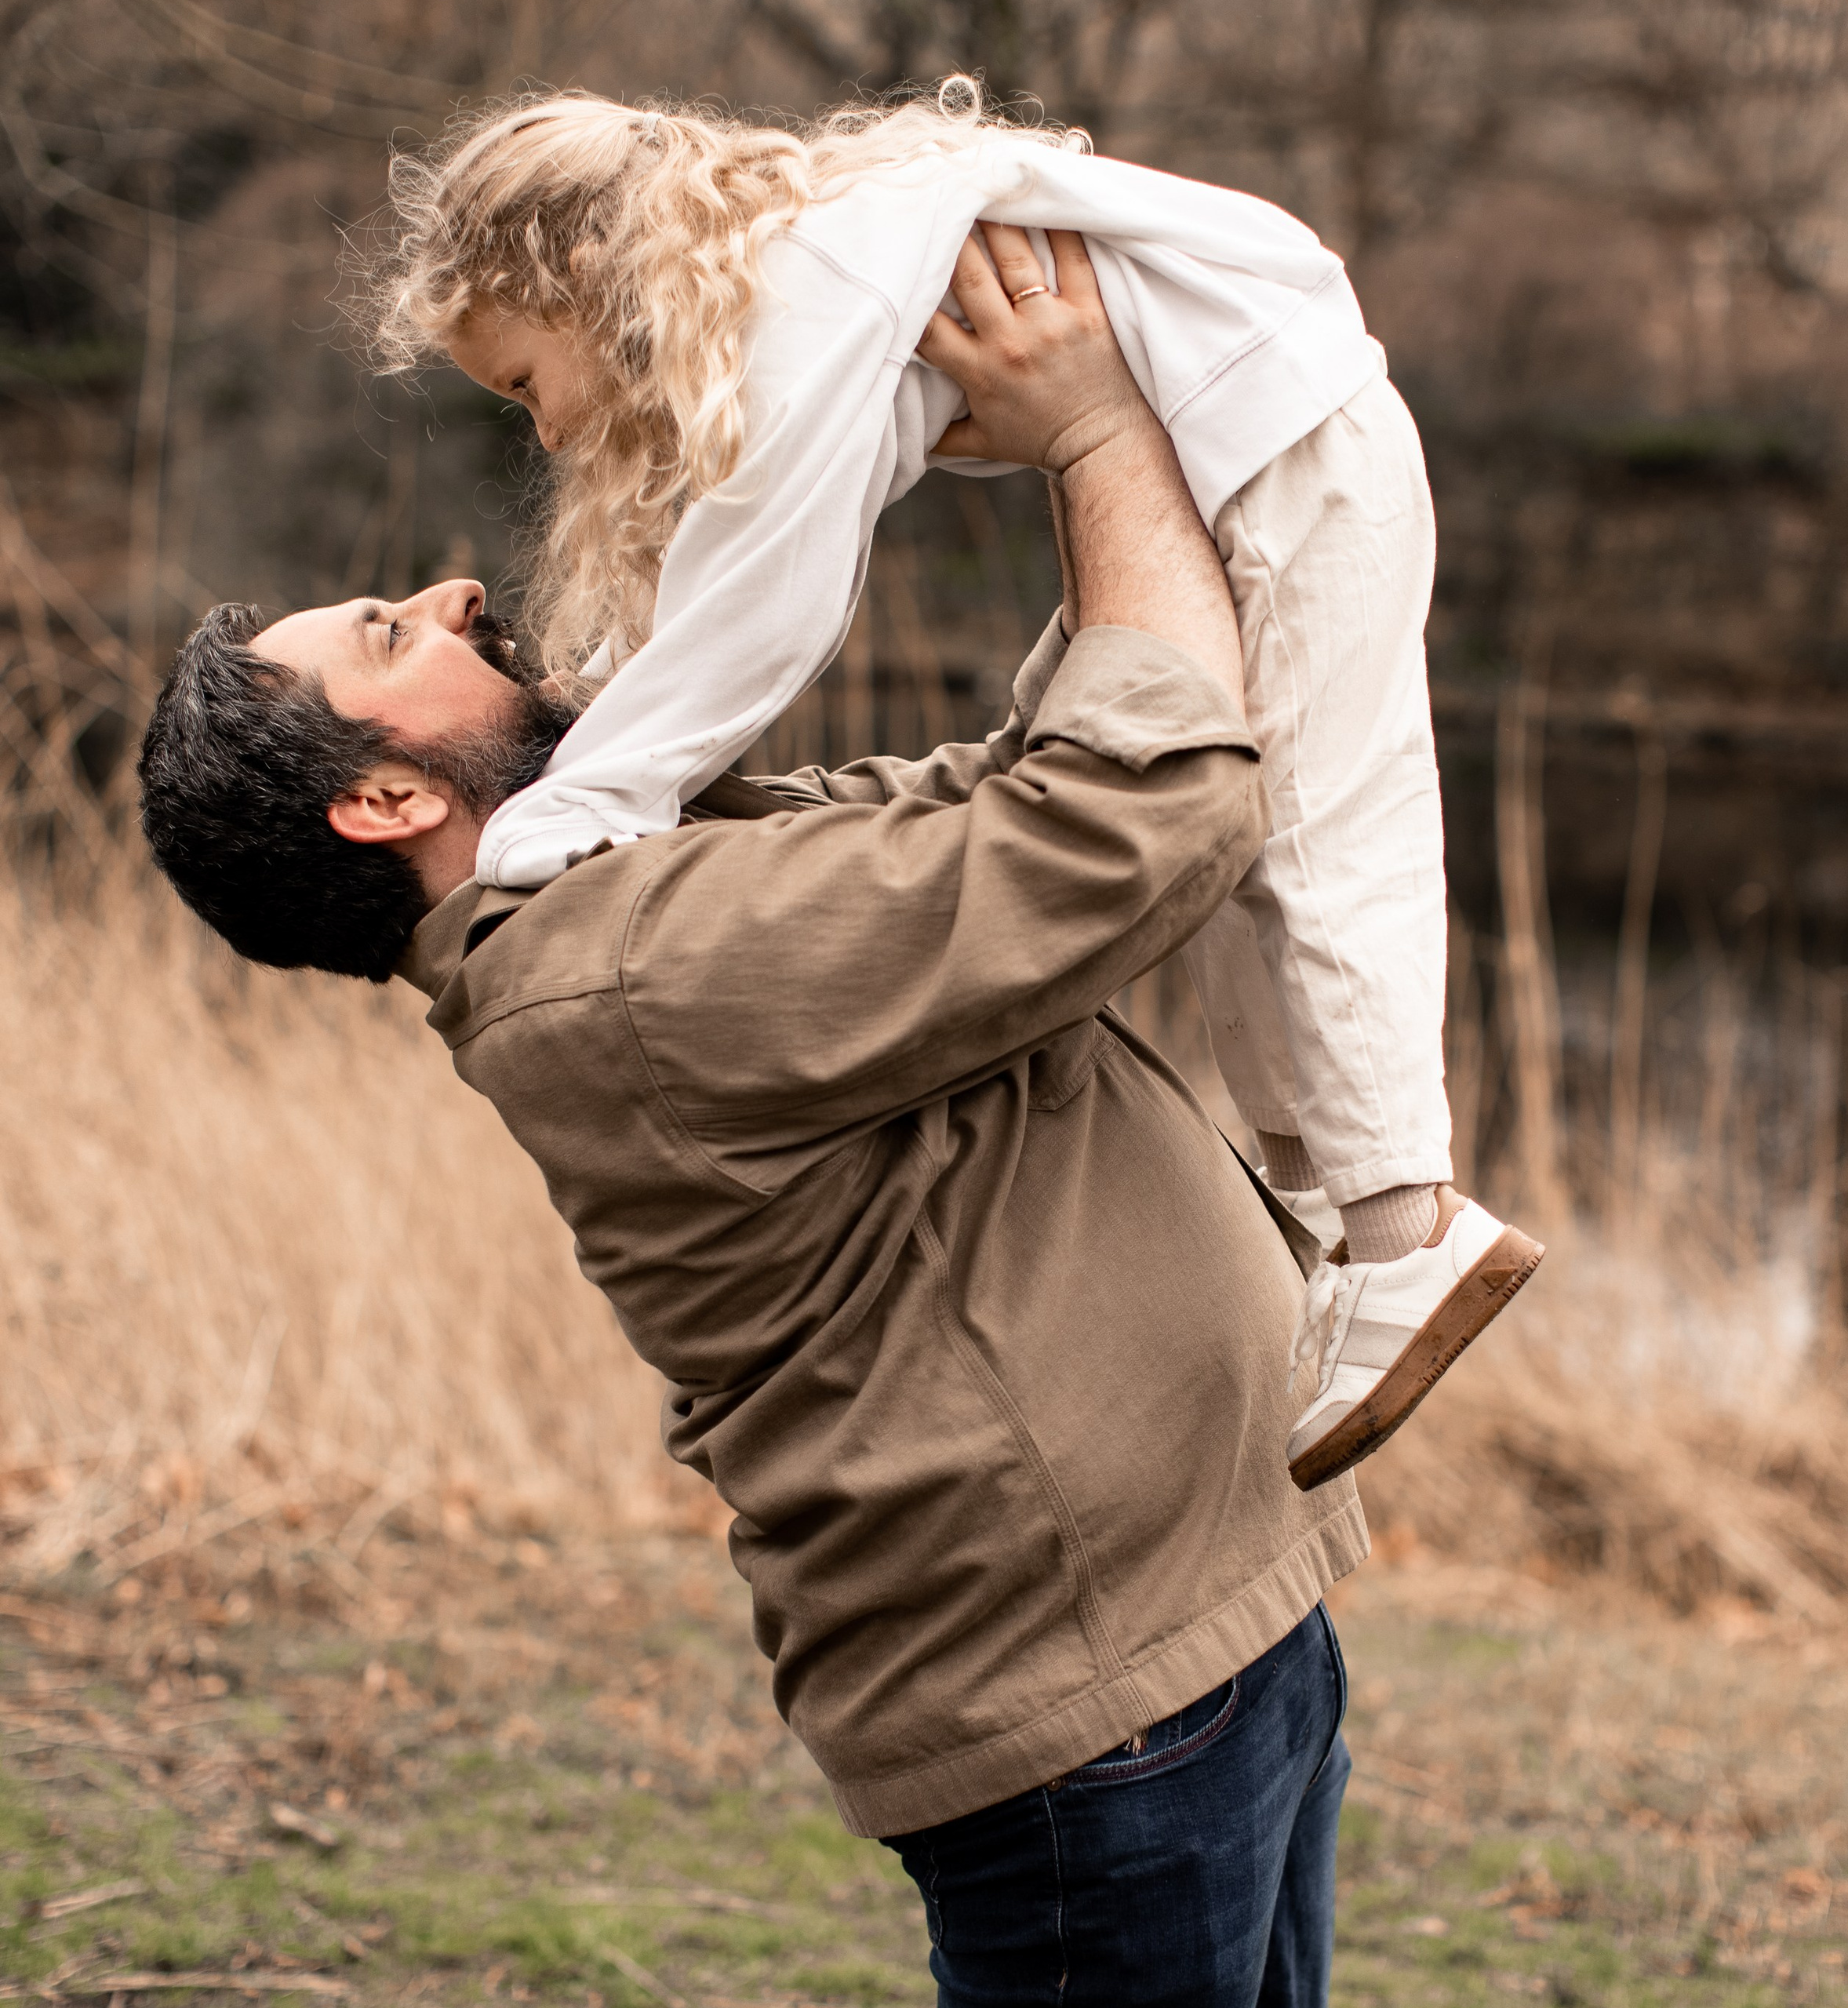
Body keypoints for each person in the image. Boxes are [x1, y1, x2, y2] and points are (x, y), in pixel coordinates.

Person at [144, 220, 1355, 2005]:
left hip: (1209, 1626)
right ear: (386, 791)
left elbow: (1029, 786)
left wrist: (1055, 440)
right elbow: (1141, 820)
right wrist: (1099, 440)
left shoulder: (641, 869)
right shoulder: (619, 969)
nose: (459, 594)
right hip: (1091, 1718)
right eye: (396, 632)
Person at [362, 86, 1542, 1490]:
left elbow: (770, 601)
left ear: (581, 284)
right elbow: (727, 565)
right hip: (1262, 439)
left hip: (1292, 448)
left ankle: (1409, 1229)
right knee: (1251, 873)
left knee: (1324, 837)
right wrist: (612, 713)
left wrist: (578, 807)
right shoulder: (795, 271)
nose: (544, 433)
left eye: (520, 383)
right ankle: (1315, 1211)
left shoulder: (811, 282)